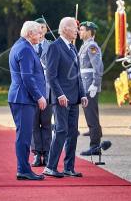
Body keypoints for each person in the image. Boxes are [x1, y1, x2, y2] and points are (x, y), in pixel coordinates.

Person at [43, 17, 88, 178]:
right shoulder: (55, 47)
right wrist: (60, 94)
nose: (77, 30)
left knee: (72, 133)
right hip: (61, 98)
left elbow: (77, 75)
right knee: (61, 131)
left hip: (74, 99)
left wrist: (82, 94)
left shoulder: (73, 48)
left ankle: (69, 167)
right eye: (74, 28)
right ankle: (50, 166)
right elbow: (51, 76)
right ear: (65, 29)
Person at [8, 21, 47, 180]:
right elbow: (27, 77)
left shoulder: (20, 45)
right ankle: (23, 170)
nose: (40, 35)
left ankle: (23, 169)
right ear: (30, 33)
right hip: (23, 98)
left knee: (24, 134)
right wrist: (39, 96)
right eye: (38, 32)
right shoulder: (25, 49)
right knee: (24, 136)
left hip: (21, 97)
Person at [77, 21, 110, 156]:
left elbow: (98, 68)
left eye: (82, 29)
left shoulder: (91, 46)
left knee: (92, 117)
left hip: (90, 85)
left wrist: (95, 85)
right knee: (90, 115)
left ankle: (95, 145)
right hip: (85, 84)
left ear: (90, 32)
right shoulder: (84, 46)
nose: (79, 32)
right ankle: (95, 142)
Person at [30, 18, 53, 167]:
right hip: (33, 90)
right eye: (38, 28)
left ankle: (47, 153)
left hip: (48, 90)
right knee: (34, 124)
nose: (41, 30)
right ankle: (37, 154)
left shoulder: (51, 46)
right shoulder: (29, 46)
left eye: (43, 27)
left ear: (46, 29)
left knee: (46, 123)